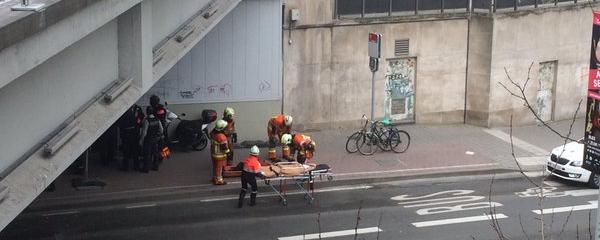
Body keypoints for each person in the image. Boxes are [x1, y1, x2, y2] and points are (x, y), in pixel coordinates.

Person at [118, 104, 144, 171]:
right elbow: (119, 121)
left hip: (134, 132)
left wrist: (137, 122)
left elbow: (141, 117)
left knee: (135, 150)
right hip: (126, 132)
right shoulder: (123, 108)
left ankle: (136, 166)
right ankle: (125, 166)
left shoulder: (138, 108)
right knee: (125, 150)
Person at [139, 106, 164, 173]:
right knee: (155, 153)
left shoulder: (147, 120)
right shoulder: (157, 119)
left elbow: (144, 132)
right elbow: (161, 130)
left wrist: (141, 141)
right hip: (155, 139)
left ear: (147, 112)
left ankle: (146, 168)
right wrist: (158, 135)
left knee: (147, 154)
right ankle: (155, 167)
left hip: (148, 140)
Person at [210, 120, 230, 185]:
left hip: (213, 154)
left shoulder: (213, 133)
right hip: (220, 155)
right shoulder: (221, 136)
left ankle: (214, 178)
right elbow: (224, 146)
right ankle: (219, 180)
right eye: (225, 127)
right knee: (219, 168)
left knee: (214, 166)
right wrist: (228, 152)